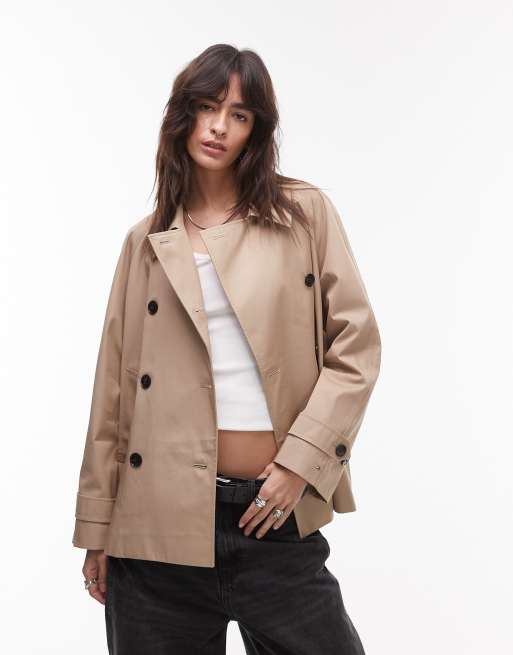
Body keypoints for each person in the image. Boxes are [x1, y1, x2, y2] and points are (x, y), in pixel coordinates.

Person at [72, 43, 382, 654]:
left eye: (239, 115)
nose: (218, 127)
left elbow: (356, 346)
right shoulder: (145, 242)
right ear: (182, 114)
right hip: (155, 533)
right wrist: (97, 528)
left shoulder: (302, 214)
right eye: (207, 107)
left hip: (272, 518)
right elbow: (112, 394)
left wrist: (300, 463)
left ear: (255, 130)